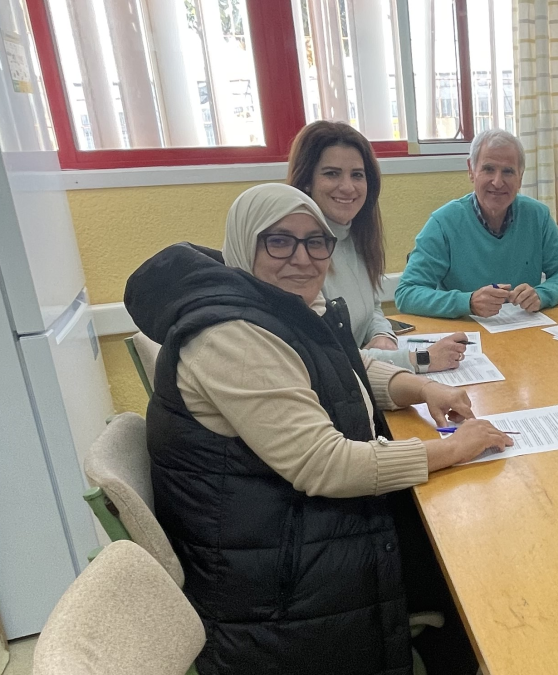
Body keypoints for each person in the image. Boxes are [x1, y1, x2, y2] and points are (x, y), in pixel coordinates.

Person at [123, 183, 513, 675]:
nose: (303, 258)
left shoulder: (266, 307)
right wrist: (456, 449)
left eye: (316, 241)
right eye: (279, 241)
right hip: (274, 589)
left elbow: (334, 372)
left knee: (454, 537)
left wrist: (420, 389)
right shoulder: (231, 337)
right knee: (469, 556)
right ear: (245, 243)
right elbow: (325, 466)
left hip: (272, 533)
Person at [287, 120, 466, 373]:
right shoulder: (297, 257)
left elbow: (372, 309)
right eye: (332, 173)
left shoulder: (356, 237)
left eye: (357, 175)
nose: (348, 187)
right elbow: (325, 357)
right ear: (307, 181)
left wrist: (384, 336)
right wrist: (420, 359)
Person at [394, 128, 558, 318]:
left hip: (524, 332)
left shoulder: (537, 216)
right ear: (471, 171)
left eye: (508, 171)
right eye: (488, 169)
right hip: (464, 337)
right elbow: (406, 293)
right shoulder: (443, 223)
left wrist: (542, 294)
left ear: (520, 177)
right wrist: (467, 302)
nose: (498, 182)